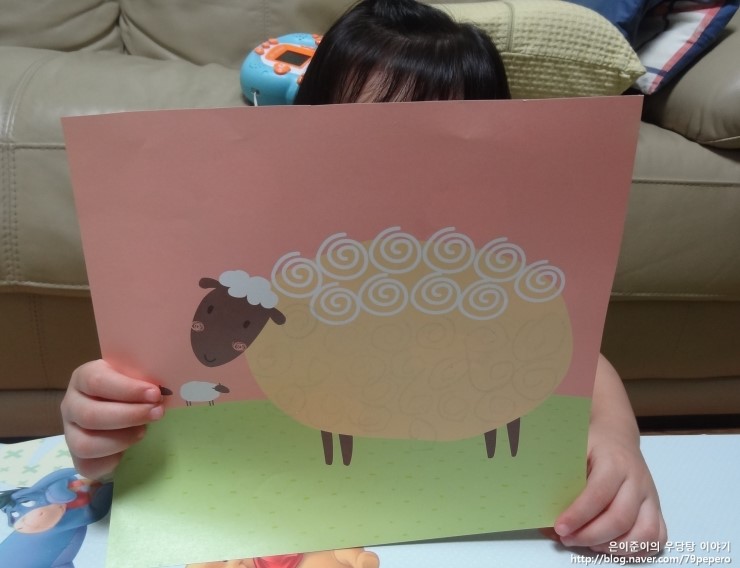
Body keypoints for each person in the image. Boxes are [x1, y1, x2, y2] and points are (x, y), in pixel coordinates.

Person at [61, 0, 666, 557]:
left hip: (460, 525)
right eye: (359, 143)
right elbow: (162, 376)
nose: (396, 179)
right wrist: (105, 419)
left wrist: (617, 439)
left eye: (438, 153)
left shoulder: (478, 263)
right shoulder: (267, 246)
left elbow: (580, 362)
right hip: (269, 517)